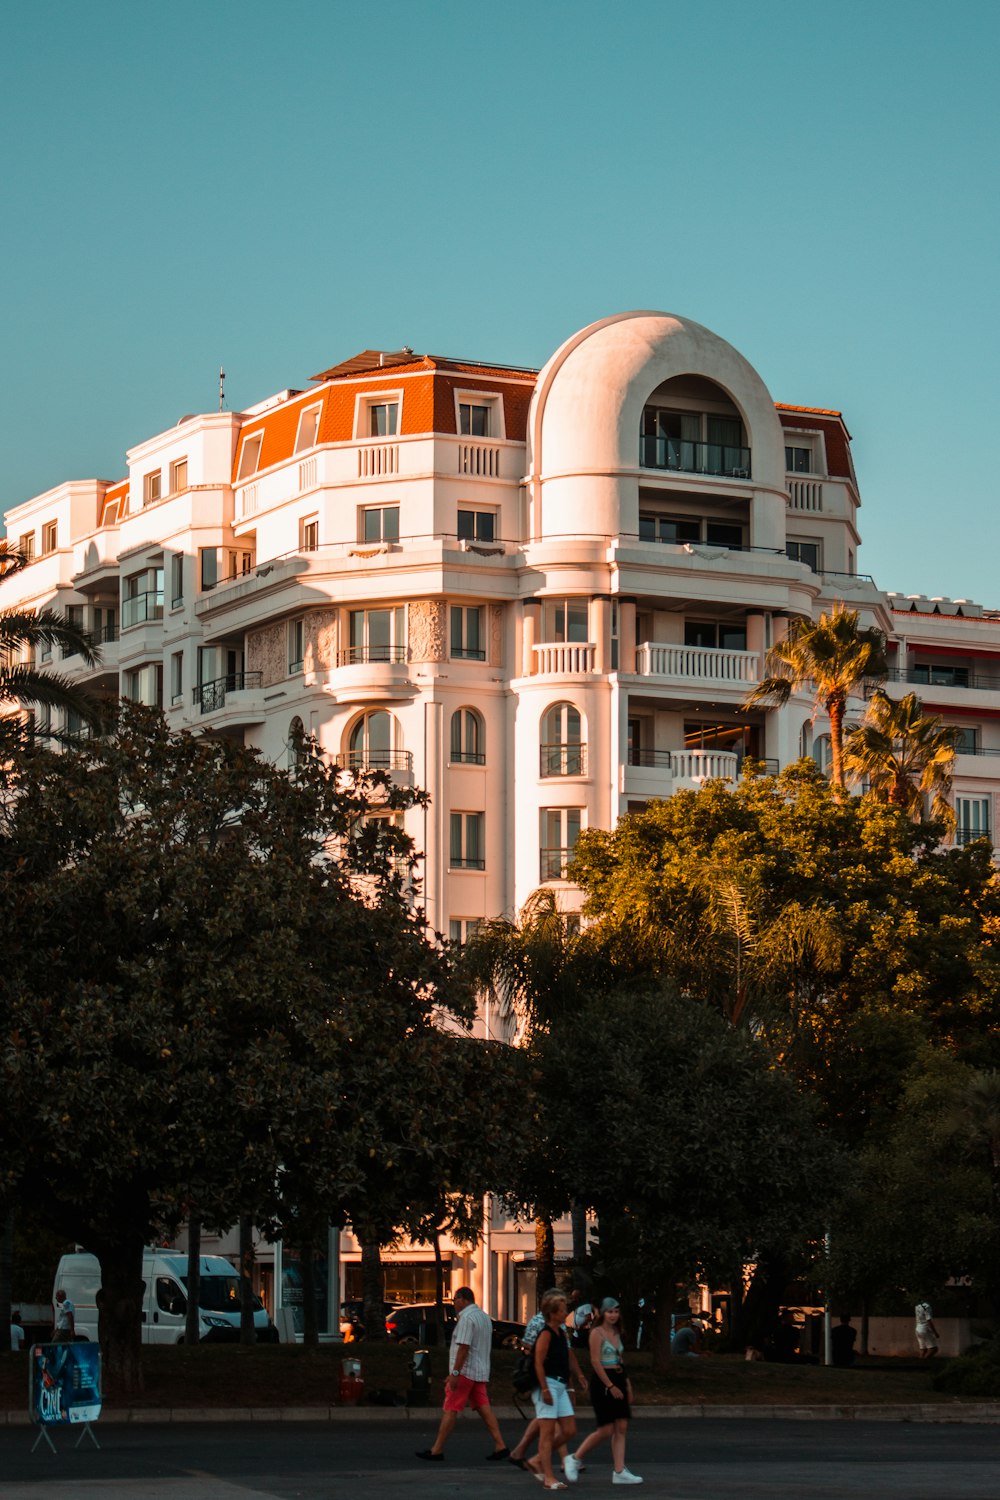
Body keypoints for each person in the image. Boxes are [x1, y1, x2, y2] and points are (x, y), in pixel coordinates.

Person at [415, 1286, 508, 1463]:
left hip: (465, 1372)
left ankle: (437, 1450)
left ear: (463, 1300)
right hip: (480, 1371)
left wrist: (455, 1373)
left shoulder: (467, 1319)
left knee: (451, 1409)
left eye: (455, 1300)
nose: (454, 1304)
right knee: (484, 1408)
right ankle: (500, 1445)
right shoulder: (484, 1318)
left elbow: (463, 1347)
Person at [567, 1296, 642, 1486]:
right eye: (610, 1311)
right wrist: (610, 1385)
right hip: (602, 1382)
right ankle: (575, 1458)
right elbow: (595, 1362)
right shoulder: (596, 1333)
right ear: (602, 1313)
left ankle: (619, 1470)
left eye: (616, 1311)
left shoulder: (617, 1332)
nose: (613, 1315)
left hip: (618, 1377)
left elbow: (620, 1360)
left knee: (621, 1427)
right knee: (606, 1429)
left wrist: (627, 1383)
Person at [527, 1290, 587, 1492]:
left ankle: (536, 1460)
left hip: (560, 1385)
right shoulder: (546, 1333)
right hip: (548, 1385)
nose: (566, 1313)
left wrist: (579, 1375)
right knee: (547, 1433)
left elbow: (569, 1355)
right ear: (553, 1313)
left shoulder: (561, 1332)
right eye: (562, 1310)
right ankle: (548, 1477)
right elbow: (538, 1362)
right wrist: (544, 1388)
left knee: (570, 1429)